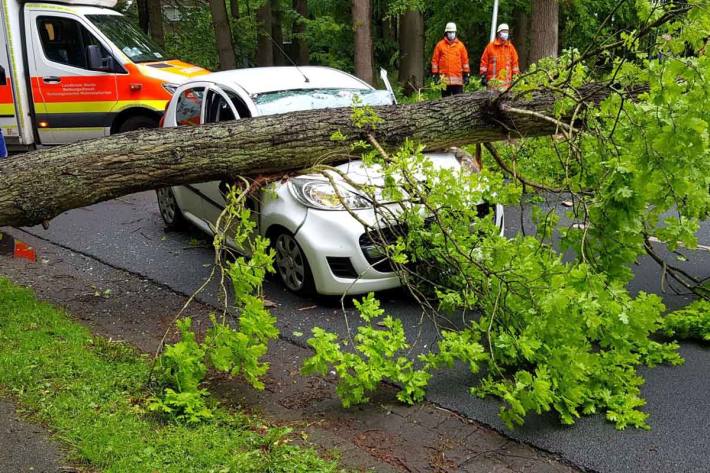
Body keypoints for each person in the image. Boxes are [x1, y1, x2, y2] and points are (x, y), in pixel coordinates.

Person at [431, 22, 471, 97]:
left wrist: (466, 74)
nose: (451, 34)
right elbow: (435, 61)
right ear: (446, 33)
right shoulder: (440, 45)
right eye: (450, 32)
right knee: (446, 102)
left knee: (459, 101)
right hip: (445, 80)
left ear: (455, 33)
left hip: (458, 80)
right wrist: (435, 74)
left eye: (453, 32)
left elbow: (465, 61)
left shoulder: (460, 46)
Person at [480, 23, 520, 90]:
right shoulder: (490, 47)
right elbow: (484, 62)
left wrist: (516, 76)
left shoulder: (511, 48)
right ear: (499, 33)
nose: (506, 33)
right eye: (504, 31)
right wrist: (483, 76)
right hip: (492, 83)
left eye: (507, 32)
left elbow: (515, 64)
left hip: (506, 84)